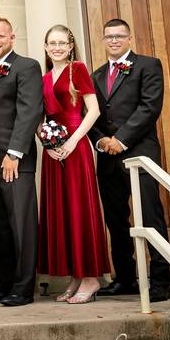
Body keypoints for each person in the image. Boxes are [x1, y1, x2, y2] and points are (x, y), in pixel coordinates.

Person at [89, 18, 170, 302]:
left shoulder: (149, 65)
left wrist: (120, 139)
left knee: (150, 216)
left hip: (139, 154)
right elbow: (91, 116)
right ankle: (124, 278)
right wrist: (101, 140)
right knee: (115, 220)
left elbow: (149, 107)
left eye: (119, 35)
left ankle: (161, 281)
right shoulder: (96, 75)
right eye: (109, 36)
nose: (114, 40)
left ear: (129, 37)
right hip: (108, 160)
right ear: (103, 40)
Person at [0, 16, 44, 307]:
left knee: (22, 226)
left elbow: (30, 112)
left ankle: (24, 288)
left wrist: (14, 153)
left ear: (12, 37)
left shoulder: (26, 67)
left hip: (14, 161)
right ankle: (3, 285)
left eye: (0, 36)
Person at [37, 24, 109, 304]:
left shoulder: (76, 69)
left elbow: (93, 111)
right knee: (62, 211)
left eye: (61, 43)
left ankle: (91, 278)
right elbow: (41, 117)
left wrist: (71, 143)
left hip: (75, 147)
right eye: (51, 43)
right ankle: (75, 276)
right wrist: (48, 142)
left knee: (79, 209)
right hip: (53, 152)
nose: (56, 47)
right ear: (45, 47)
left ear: (70, 47)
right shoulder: (44, 78)